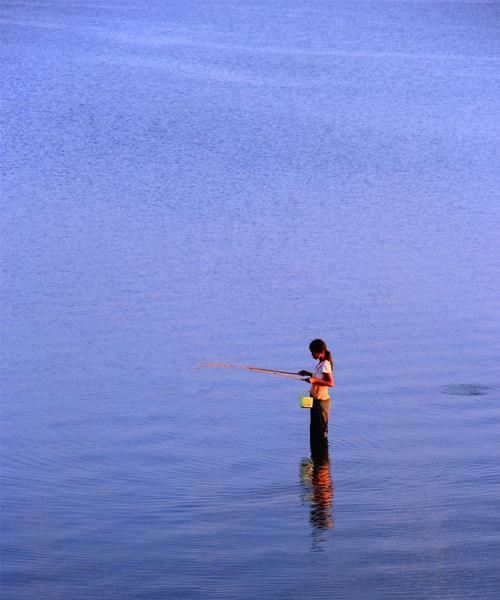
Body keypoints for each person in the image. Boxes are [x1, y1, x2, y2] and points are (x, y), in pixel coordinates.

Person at [298, 339, 334, 441]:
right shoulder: (320, 363)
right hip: (315, 400)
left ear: (320, 352)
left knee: (321, 430)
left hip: (321, 402)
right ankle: (315, 453)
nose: (311, 355)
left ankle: (321, 453)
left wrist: (313, 379)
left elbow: (331, 383)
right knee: (314, 428)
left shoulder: (325, 365)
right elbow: (319, 378)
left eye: (313, 352)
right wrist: (308, 374)